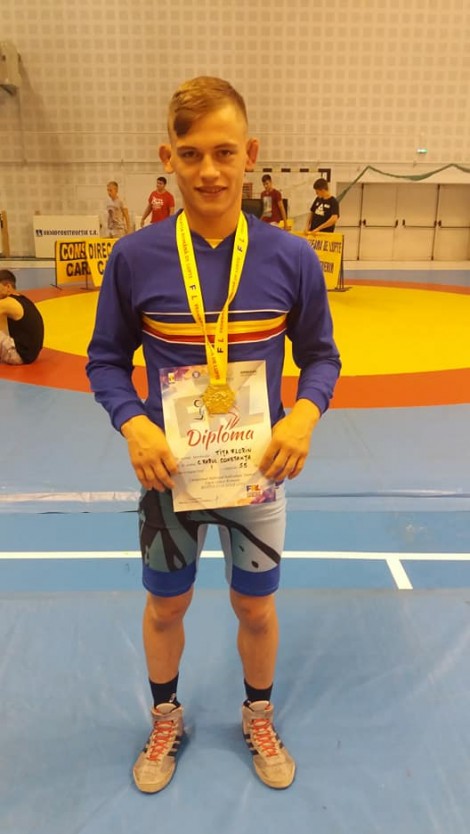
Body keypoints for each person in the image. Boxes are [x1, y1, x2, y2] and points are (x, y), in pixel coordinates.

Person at [87, 76, 340, 794]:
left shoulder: (291, 257)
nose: (208, 171)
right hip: (169, 473)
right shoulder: (135, 258)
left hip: (258, 471)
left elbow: (322, 356)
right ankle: (165, 715)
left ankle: (258, 714)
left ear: (250, 154)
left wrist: (304, 414)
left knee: (255, 605)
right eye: (192, 153)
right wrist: (134, 423)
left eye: (224, 152)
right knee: (167, 602)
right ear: (167, 156)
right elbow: (105, 359)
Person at [0, 269, 44, 364]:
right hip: (30, 354)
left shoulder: (8, 303)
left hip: (19, 356)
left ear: (8, 287)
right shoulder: (23, 300)